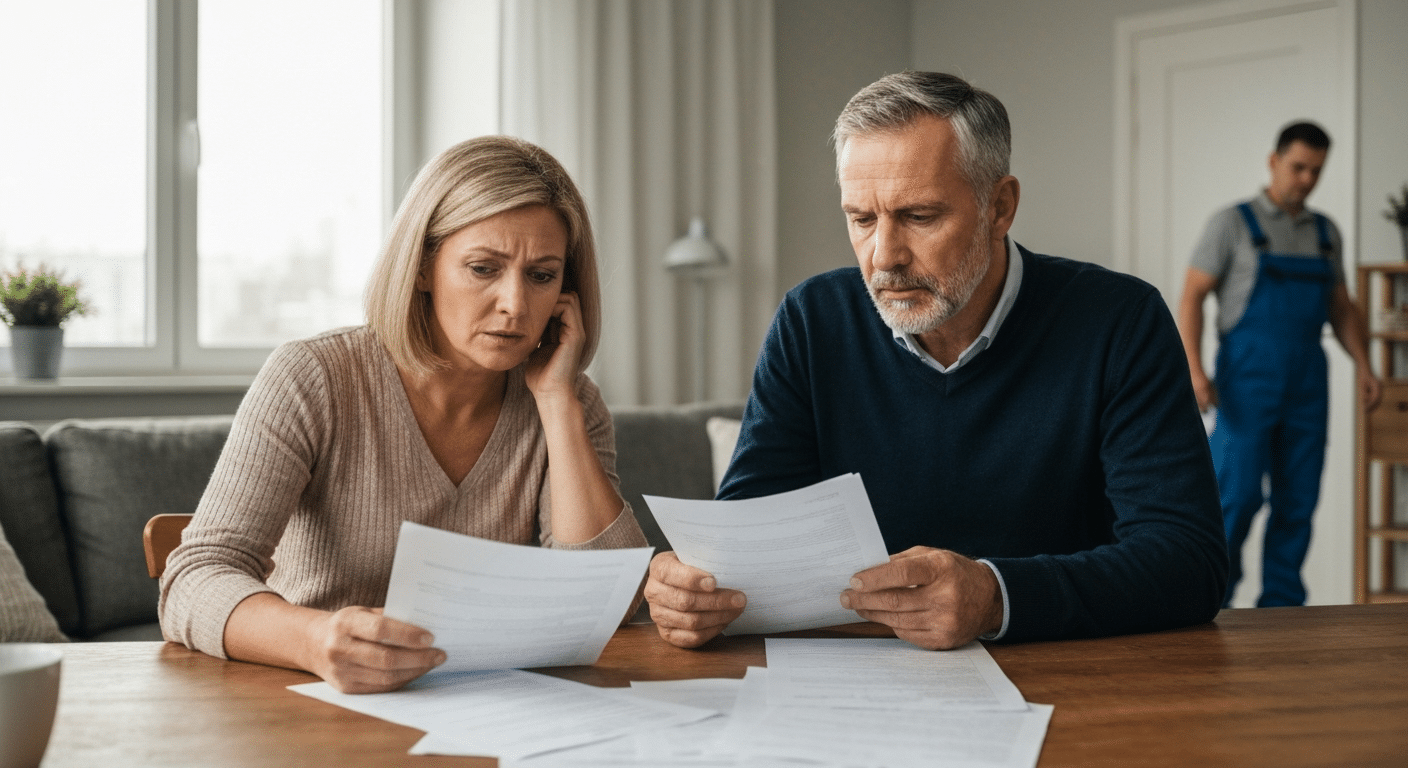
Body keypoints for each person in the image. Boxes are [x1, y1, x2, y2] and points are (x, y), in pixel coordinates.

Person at [644, 71, 1227, 651]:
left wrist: (995, 596)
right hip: (855, 681)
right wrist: (698, 590)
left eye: (919, 217)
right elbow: (749, 534)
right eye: (861, 219)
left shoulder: (1120, 320)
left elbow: (1188, 561)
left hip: (1070, 681)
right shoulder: (813, 319)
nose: (885, 257)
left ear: (1000, 207)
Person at [160, 136, 647, 693]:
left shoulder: (569, 400)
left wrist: (559, 403)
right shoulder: (313, 377)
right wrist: (317, 641)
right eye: (484, 268)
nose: (515, 304)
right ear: (422, 268)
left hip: (497, 704)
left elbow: (607, 599)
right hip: (319, 704)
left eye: (542, 276)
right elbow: (193, 578)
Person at [1176, 122, 1380, 608]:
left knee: (1299, 500)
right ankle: (1212, 602)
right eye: (1298, 167)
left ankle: (1283, 610)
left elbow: (1341, 305)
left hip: (1309, 378)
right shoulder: (1232, 223)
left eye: (1316, 170)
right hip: (1246, 379)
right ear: (1273, 161)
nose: (1307, 179)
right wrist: (1194, 370)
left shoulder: (1326, 231)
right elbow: (1191, 297)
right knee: (1237, 495)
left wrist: (1366, 365)